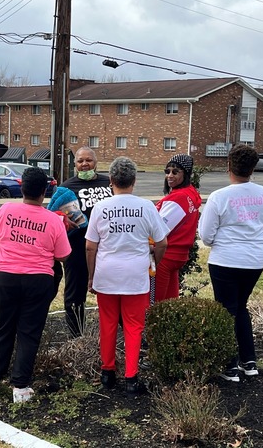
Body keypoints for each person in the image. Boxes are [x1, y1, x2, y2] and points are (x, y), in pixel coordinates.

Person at [0, 166, 71, 403]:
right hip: (38, 280)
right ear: (44, 192)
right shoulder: (53, 220)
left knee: (2, 328)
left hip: (6, 277)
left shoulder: (6, 210)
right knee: (28, 333)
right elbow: (63, 255)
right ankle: (20, 387)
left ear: (21, 188)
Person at [85, 157, 169, 394]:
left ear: (111, 180)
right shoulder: (146, 207)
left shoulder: (101, 207)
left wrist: (91, 276)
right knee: (134, 326)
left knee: (108, 324)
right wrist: (153, 260)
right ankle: (131, 377)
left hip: (106, 274)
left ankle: (107, 372)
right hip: (135, 275)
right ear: (134, 180)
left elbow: (90, 246)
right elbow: (162, 242)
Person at [198, 145, 263, 383]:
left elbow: (206, 235)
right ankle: (249, 360)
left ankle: (230, 365)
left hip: (225, 261)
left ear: (229, 166)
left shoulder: (219, 197)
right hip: (254, 260)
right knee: (240, 307)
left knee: (226, 310)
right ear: (253, 168)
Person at [58, 147, 112, 337]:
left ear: (96, 162)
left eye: (88, 160)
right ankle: (77, 337)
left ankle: (118, 335)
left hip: (108, 250)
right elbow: (54, 217)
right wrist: (64, 221)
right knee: (74, 296)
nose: (84, 164)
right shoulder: (66, 187)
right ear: (75, 164)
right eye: (80, 161)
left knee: (113, 295)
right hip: (77, 250)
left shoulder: (109, 183)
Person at [154, 154, 202, 302]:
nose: (169, 176)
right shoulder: (190, 193)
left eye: (175, 172)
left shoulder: (178, 198)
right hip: (178, 255)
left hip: (165, 255)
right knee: (169, 301)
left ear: (185, 174)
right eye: (167, 171)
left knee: (155, 303)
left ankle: (153, 325)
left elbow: (158, 230)